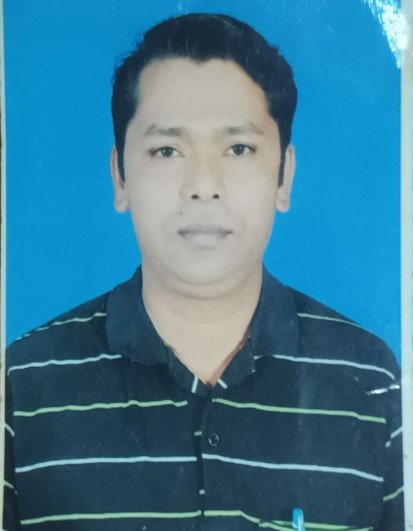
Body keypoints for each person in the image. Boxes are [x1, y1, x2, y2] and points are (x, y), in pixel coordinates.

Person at [4, 13, 404, 531]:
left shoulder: (370, 381)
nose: (203, 185)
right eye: (166, 150)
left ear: (284, 177)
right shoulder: (22, 386)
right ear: (120, 177)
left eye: (238, 148)